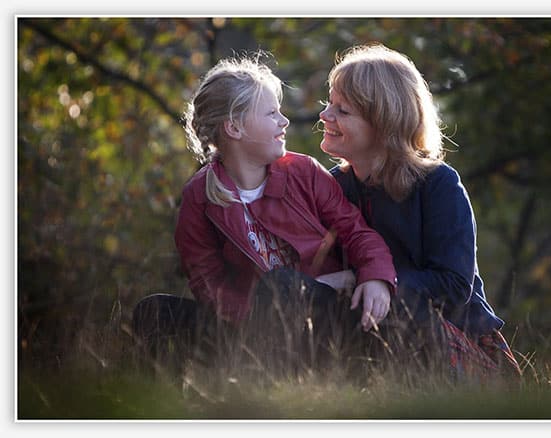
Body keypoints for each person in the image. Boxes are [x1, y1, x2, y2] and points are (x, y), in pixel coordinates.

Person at [132, 53, 397, 375]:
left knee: (281, 283)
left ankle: (277, 390)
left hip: (320, 319)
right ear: (235, 127)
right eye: (272, 114)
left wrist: (377, 277)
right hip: (246, 329)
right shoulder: (199, 197)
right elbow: (207, 282)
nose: (284, 121)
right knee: (154, 311)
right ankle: (168, 409)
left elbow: (357, 232)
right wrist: (257, 318)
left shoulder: (303, 172)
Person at [316, 44, 522, 381]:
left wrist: (380, 281)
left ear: (383, 121)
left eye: (343, 110)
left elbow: (455, 285)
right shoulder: (331, 186)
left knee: (394, 308)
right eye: (329, 103)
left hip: (453, 342)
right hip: (371, 338)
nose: (325, 115)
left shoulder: (437, 184)